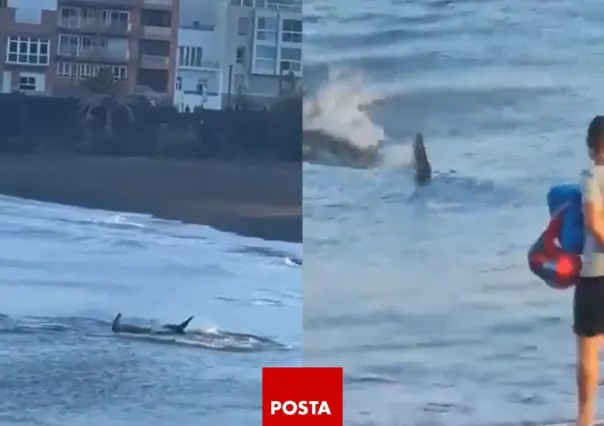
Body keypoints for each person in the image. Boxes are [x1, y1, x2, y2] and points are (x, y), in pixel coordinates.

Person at [574, 115, 604, 426]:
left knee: (588, 349)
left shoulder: (591, 176)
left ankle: (585, 419)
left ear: (590, 147)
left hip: (595, 274)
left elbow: (595, 225)